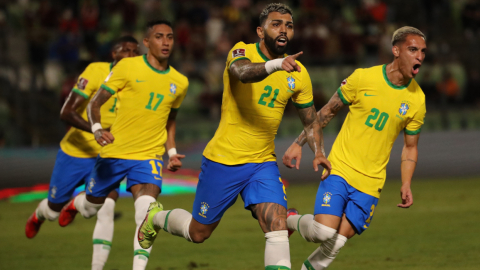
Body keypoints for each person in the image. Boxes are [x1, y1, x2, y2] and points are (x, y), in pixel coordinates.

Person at [137, 4, 331, 270]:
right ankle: (155, 218)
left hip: (262, 163)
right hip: (223, 160)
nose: (284, 29)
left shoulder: (299, 74)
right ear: (260, 31)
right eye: (276, 24)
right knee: (198, 232)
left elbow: (310, 121)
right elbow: (242, 72)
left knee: (276, 225)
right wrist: (277, 65)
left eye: (289, 24)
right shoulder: (241, 51)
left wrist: (318, 151)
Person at [282, 26, 427, 270]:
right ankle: (289, 219)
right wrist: (298, 143)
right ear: (395, 50)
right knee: (323, 232)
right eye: (413, 49)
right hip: (340, 167)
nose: (420, 56)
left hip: (371, 181)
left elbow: (410, 147)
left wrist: (405, 182)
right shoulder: (363, 78)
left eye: (423, 51)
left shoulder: (417, 99)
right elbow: (327, 111)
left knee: (336, 242)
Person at [57, 20, 188, 270]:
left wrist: (170, 151)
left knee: (146, 214)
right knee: (91, 208)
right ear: (146, 43)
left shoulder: (179, 81)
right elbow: (95, 102)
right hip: (114, 153)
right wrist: (96, 129)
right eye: (159, 36)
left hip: (148, 156)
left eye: (170, 37)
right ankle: (76, 204)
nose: (166, 42)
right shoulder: (127, 66)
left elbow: (170, 120)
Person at [25, 36, 139, 269]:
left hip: (107, 155)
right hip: (75, 151)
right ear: (114, 54)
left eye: (135, 52)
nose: (131, 55)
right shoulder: (96, 71)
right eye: (125, 50)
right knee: (54, 210)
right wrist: (97, 130)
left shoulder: (138, 80)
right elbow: (66, 112)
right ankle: (39, 214)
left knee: (104, 209)